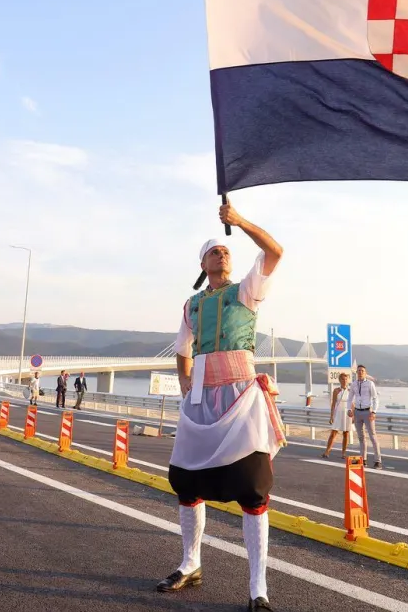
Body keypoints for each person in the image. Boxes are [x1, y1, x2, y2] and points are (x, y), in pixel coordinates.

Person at [159, 202, 283, 612]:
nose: (223, 253)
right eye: (215, 251)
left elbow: (275, 252)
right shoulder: (192, 304)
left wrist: (240, 222)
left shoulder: (245, 290)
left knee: (251, 488)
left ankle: (258, 589)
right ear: (203, 262)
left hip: (240, 397)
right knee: (187, 482)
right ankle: (190, 563)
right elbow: (182, 348)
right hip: (201, 400)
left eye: (225, 250)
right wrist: (184, 380)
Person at [347, 364, 383, 469]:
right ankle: (363, 460)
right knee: (361, 438)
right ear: (356, 372)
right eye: (358, 371)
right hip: (357, 413)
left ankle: (378, 461)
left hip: (368, 412)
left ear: (365, 373)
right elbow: (350, 399)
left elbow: (375, 398)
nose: (360, 372)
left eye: (362, 371)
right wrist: (349, 409)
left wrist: (374, 412)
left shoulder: (370, 384)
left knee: (373, 436)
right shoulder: (353, 384)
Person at [321, 371, 352, 459]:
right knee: (333, 432)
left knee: (346, 433)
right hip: (338, 413)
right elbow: (333, 404)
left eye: (346, 379)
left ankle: (343, 453)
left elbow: (352, 404)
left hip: (347, 414)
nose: (344, 381)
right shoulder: (336, 390)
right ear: (339, 380)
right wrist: (331, 416)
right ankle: (327, 452)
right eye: (342, 379)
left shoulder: (350, 391)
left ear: (348, 380)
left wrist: (353, 415)